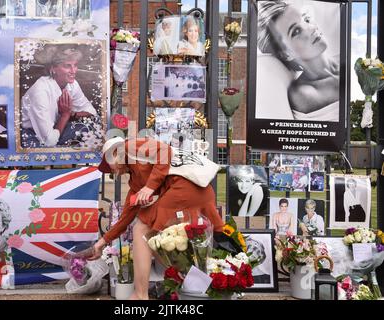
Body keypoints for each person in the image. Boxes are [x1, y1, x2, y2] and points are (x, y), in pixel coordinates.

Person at [87, 137, 225, 300]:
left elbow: (165, 151)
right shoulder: (135, 180)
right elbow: (126, 218)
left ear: (115, 153)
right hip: (198, 190)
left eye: (108, 165)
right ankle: (204, 286)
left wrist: (149, 187)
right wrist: (101, 243)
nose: (112, 172)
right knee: (159, 239)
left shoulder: (129, 146)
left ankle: (141, 294)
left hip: (184, 187)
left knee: (144, 230)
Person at [257, 1, 339, 121]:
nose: (311, 28)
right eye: (296, 31)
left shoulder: (349, 64)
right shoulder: (304, 94)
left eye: (306, 19)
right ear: (285, 53)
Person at [21, 46, 97, 148]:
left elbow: (92, 112)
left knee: (94, 125)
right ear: (53, 68)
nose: (73, 71)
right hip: (32, 135)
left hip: (56, 130)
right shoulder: (40, 91)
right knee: (86, 131)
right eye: (67, 66)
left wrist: (72, 114)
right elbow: (49, 142)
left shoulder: (72, 84)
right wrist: (65, 114)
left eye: (75, 65)